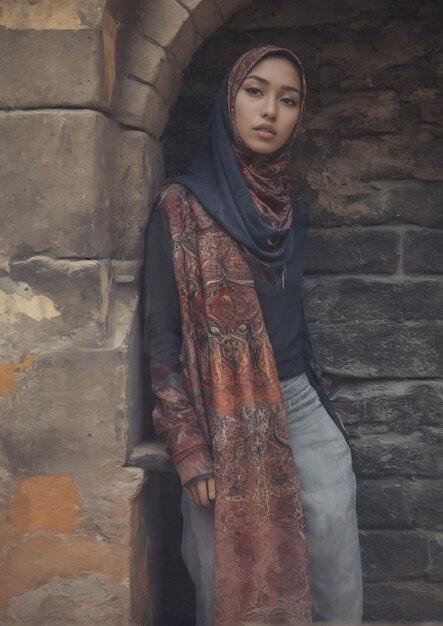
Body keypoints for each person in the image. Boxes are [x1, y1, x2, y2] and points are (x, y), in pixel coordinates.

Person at [143, 45, 363, 626]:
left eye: (288, 101)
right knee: (225, 574)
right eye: (256, 91)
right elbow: (162, 339)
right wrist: (189, 448)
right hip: (222, 414)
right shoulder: (180, 207)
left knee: (335, 562)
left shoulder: (289, 211)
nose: (270, 111)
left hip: (299, 403)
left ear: (299, 116)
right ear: (230, 101)